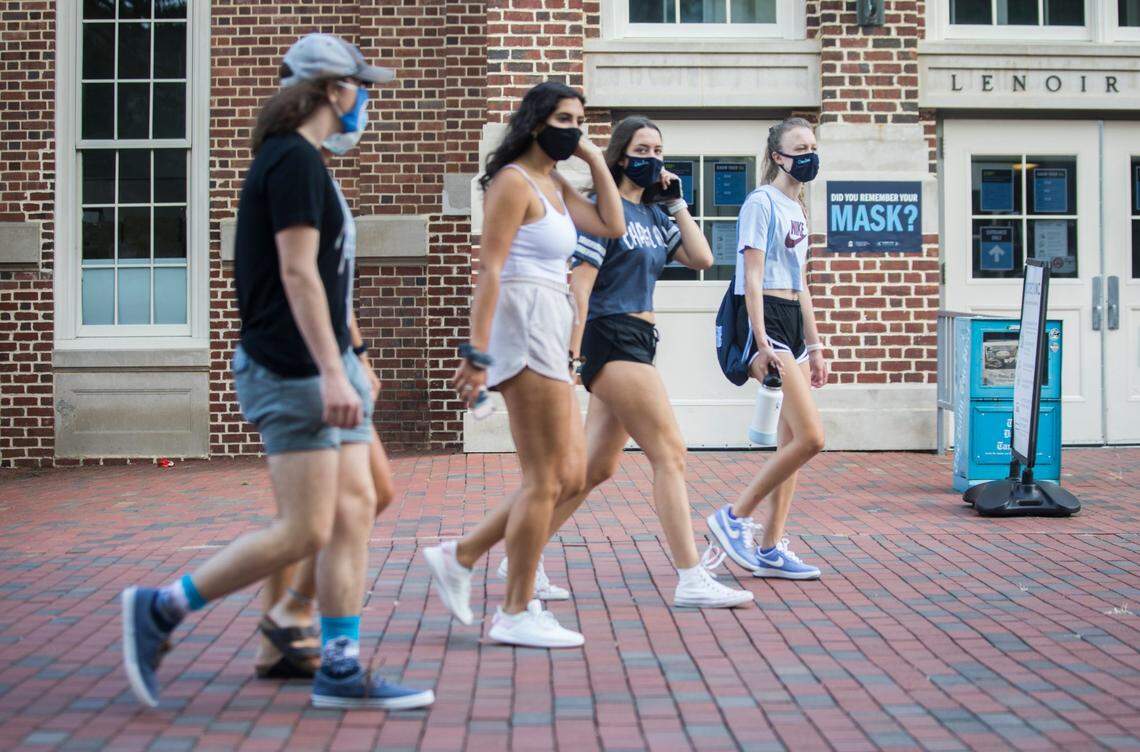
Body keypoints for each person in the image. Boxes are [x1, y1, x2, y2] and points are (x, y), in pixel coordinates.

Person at [120, 33, 434, 710]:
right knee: (305, 530)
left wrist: (353, 360)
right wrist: (331, 370)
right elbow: (296, 274)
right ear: (331, 90)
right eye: (360, 86)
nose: (365, 100)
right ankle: (161, 608)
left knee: (356, 508)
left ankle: (338, 664)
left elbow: (328, 275)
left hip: (322, 365)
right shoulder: (291, 161)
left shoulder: (305, 162)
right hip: (292, 369)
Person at [429, 116, 754, 610]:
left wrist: (678, 202)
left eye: (659, 150)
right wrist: (573, 355)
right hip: (610, 334)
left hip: (643, 338)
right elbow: (579, 287)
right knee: (670, 452)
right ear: (621, 156)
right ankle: (691, 575)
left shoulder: (654, 217)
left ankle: (516, 555)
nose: (653, 159)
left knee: (595, 468)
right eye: (642, 149)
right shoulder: (605, 214)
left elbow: (703, 258)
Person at [423, 81, 625, 648]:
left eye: (580, 120)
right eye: (565, 118)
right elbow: (488, 269)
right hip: (522, 317)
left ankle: (459, 556)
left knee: (571, 472)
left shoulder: (554, 181)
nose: (574, 128)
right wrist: (476, 352)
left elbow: (612, 225)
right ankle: (515, 609)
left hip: (550, 317)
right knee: (547, 477)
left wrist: (590, 157)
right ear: (535, 121)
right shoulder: (512, 183)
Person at [706, 117, 828, 580]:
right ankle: (733, 518)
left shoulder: (799, 210)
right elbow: (750, 276)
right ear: (778, 156)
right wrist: (759, 339)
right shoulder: (762, 203)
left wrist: (814, 345)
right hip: (768, 319)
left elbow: (802, 284)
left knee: (793, 441)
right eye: (800, 147)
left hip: (793, 320)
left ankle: (772, 546)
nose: (809, 154)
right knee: (813, 438)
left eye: (813, 145)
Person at [253, 315, 394, 680]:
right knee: (300, 517)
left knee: (376, 492)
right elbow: (303, 279)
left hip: (339, 357)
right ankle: (274, 641)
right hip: (302, 359)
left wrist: (360, 356)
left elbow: (337, 286)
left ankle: (289, 612)